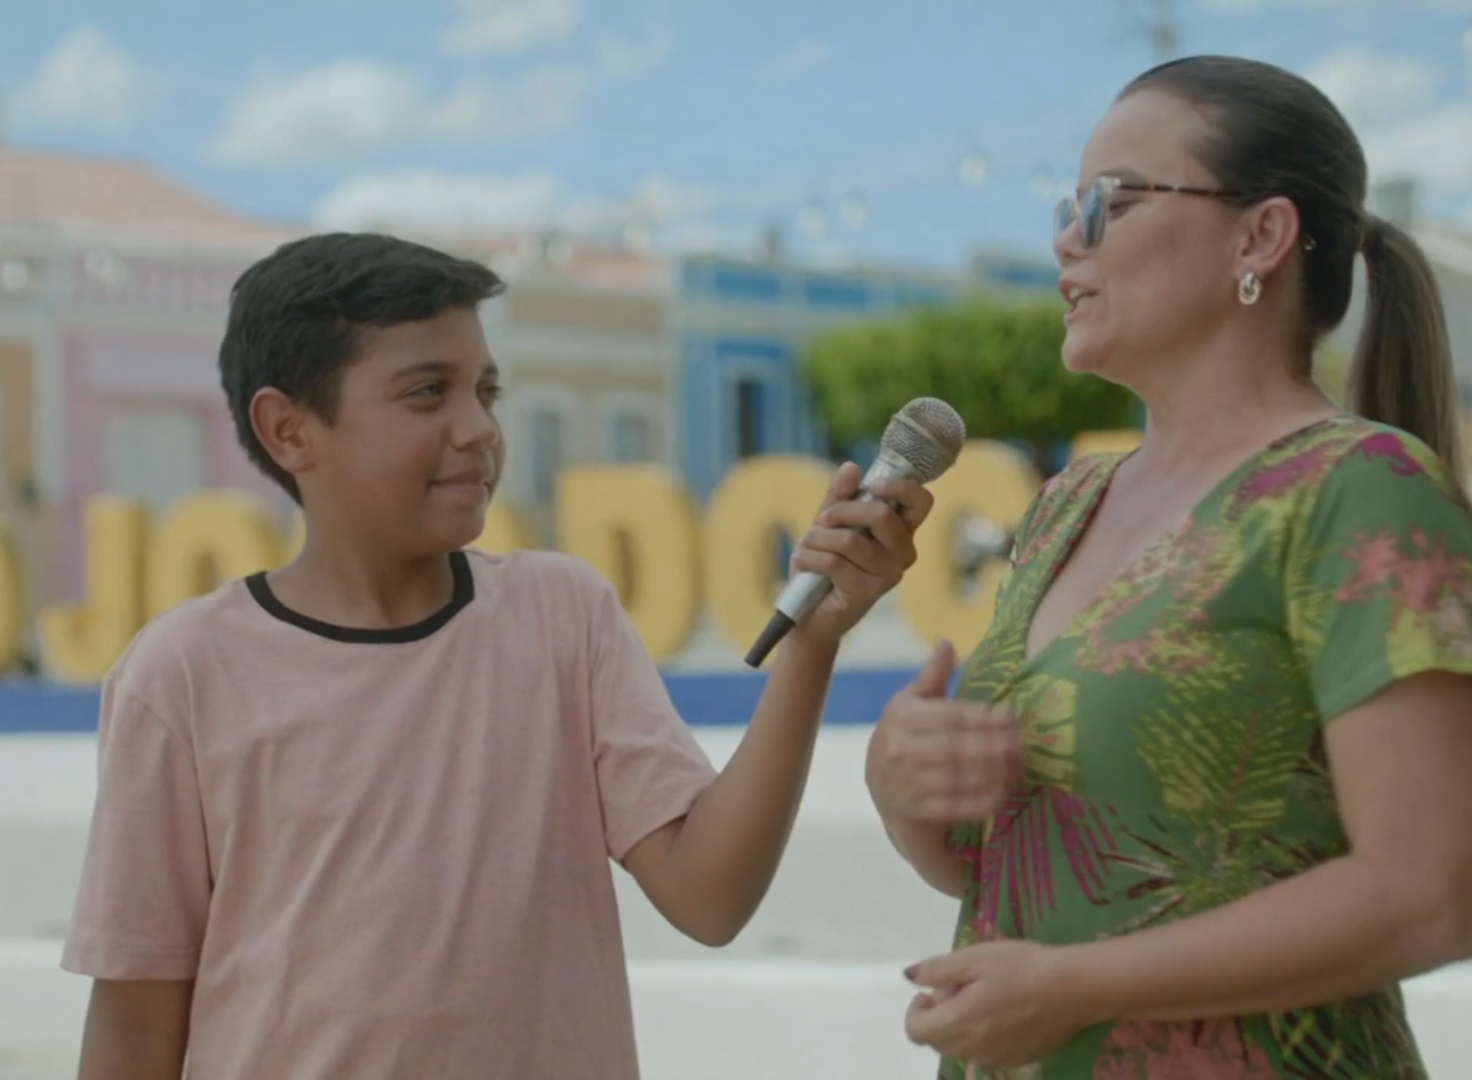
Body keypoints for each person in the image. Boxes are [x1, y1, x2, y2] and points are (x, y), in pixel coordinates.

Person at [59, 231, 935, 1078]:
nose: (478, 427)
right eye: (427, 393)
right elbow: (137, 1025)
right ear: (288, 429)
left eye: (486, 391)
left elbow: (710, 897)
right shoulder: (181, 675)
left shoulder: (563, 618)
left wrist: (813, 643)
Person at [865, 55, 1472, 1078]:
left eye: (1111, 202)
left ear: (1261, 237)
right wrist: (904, 793)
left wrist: (1077, 990)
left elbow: (1437, 893)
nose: (1067, 238)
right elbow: (1032, 872)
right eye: (1070, 207)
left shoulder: (1361, 488)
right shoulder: (1068, 505)